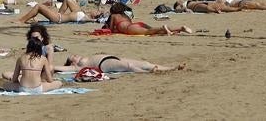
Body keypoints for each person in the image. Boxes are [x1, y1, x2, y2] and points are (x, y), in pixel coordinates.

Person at [104, 3, 192, 36]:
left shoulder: (113, 16)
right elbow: (129, 23)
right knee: (153, 30)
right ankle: (180, 28)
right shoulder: (124, 15)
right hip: (137, 24)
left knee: (150, 31)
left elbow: (110, 30)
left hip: (130, 29)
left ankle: (163, 27)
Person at [55, 54, 185, 73]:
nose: (75, 55)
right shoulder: (76, 66)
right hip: (104, 64)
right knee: (129, 67)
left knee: (145, 62)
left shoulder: (85, 57)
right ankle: (147, 73)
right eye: (72, 56)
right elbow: (56, 67)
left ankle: (172, 68)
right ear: (71, 62)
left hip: (114, 58)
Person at [15, 0, 100, 24]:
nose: (95, 10)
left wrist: (96, 19)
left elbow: (95, 20)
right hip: (59, 15)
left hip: (58, 19)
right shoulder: (82, 13)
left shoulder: (85, 18)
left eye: (96, 11)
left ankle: (21, 20)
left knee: (38, 6)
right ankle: (57, 13)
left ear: (94, 15)